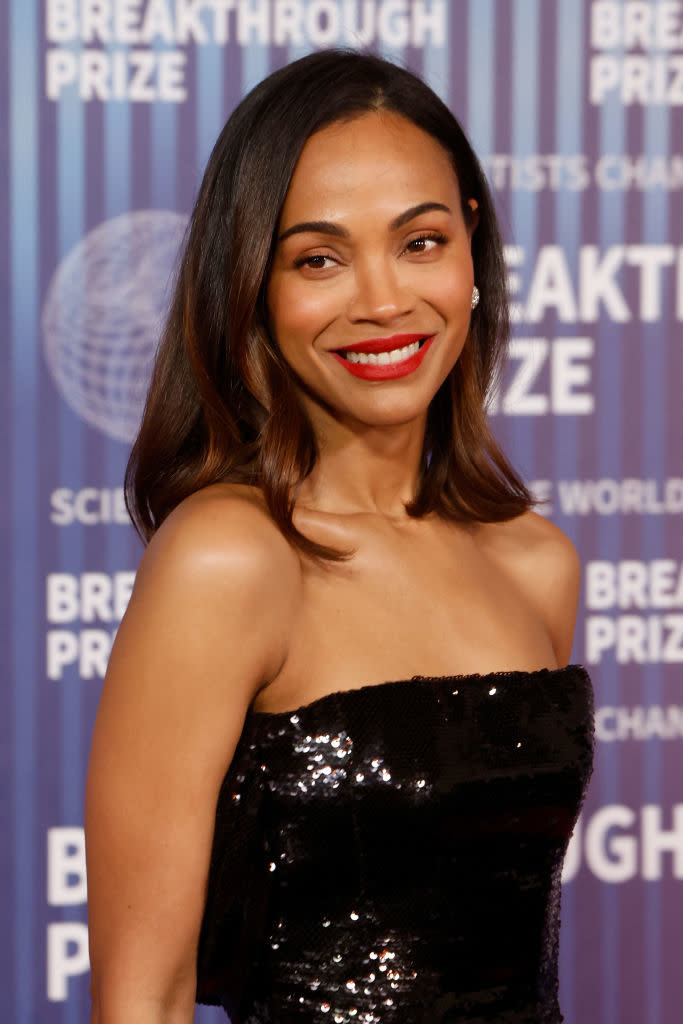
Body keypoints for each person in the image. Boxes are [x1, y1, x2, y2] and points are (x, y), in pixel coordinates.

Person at [85, 49, 593, 1024]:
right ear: (255, 287)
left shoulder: (535, 561)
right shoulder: (227, 558)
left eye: (419, 242)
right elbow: (141, 996)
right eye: (318, 258)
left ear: (471, 250)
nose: (381, 301)